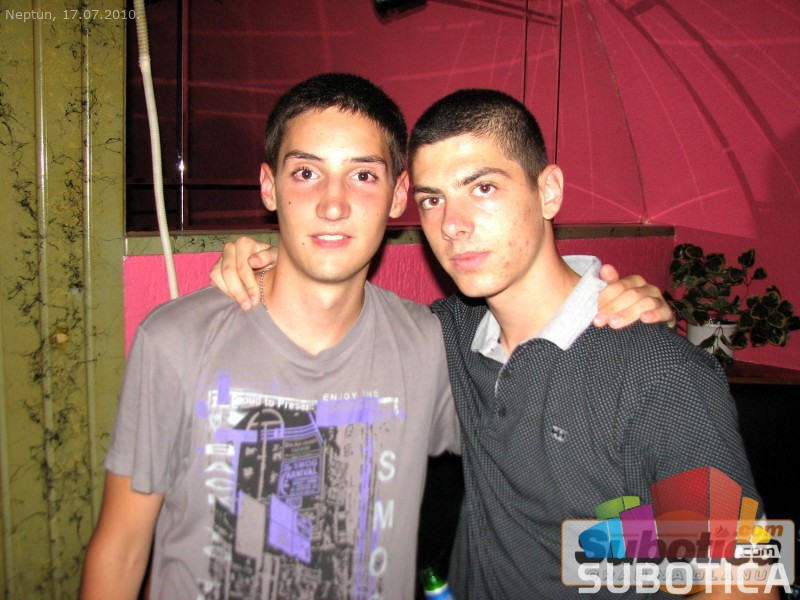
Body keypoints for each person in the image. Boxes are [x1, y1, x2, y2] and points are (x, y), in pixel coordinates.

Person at [212, 89, 772, 598]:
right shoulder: (445, 336)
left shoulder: (660, 373)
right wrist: (270, 260)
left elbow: (742, 581)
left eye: (483, 188)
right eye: (433, 200)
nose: (453, 224)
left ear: (548, 191)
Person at [82, 73, 461, 600]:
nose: (333, 204)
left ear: (399, 195)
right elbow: (121, 549)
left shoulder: (428, 346)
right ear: (269, 186)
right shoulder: (174, 341)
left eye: (362, 176)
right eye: (306, 173)